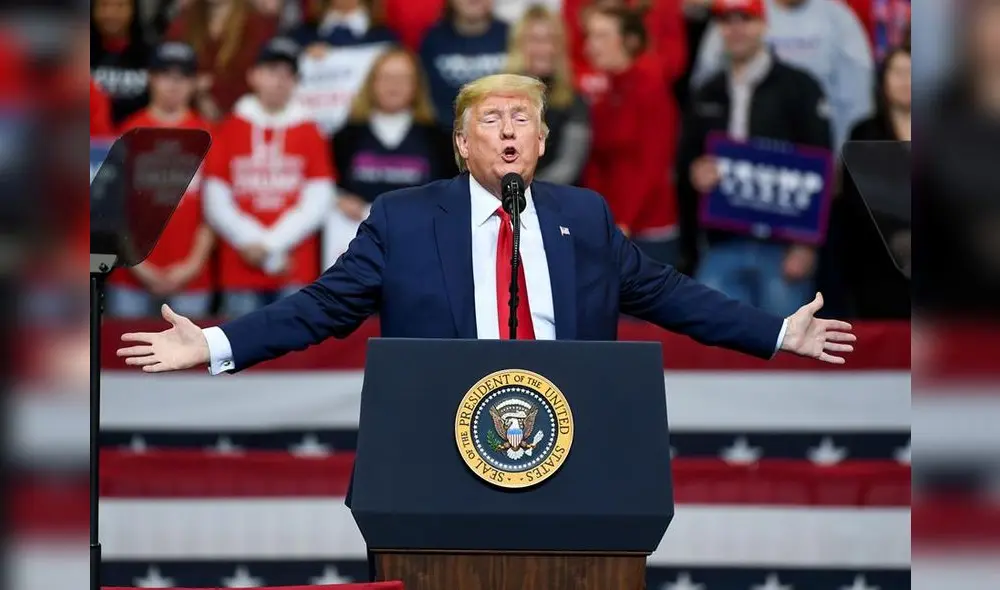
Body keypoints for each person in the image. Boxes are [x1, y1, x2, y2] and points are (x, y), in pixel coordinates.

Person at [117, 73, 856, 375]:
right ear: (462, 145)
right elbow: (322, 307)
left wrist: (775, 331)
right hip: (439, 437)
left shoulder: (584, 216)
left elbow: (668, 294)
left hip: (572, 432)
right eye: (491, 119)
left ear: (541, 142)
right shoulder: (403, 220)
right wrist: (214, 343)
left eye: (522, 119)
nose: (509, 130)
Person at [677, 0, 832, 317]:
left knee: (787, 341)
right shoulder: (707, 91)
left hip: (782, 247)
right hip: (721, 242)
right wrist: (695, 171)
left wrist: (806, 245)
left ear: (763, 25)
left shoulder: (800, 87)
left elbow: (822, 167)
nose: (735, 30)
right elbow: (687, 160)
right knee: (714, 339)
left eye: (744, 20)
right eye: (726, 21)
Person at [201, 37, 336, 318]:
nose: (280, 81)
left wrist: (271, 246)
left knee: (294, 345)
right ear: (254, 76)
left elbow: (319, 199)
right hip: (240, 265)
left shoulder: (311, 131)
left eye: (289, 74)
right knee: (237, 344)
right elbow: (215, 199)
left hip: (293, 267)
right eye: (272, 71)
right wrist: (251, 241)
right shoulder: (227, 128)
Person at [105, 42, 216, 319]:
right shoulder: (127, 131)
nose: (173, 84)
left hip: (192, 278)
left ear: (194, 83)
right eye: (165, 74)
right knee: (126, 348)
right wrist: (139, 266)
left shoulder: (210, 134)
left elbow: (215, 211)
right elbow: (113, 208)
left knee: (189, 350)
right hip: (131, 277)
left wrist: (191, 266)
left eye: (183, 76)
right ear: (150, 77)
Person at [325, 46, 456, 266]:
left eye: (403, 78)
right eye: (386, 77)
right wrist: (338, 199)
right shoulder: (345, 137)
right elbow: (324, 185)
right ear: (371, 83)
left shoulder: (440, 139)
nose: (394, 85)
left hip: (421, 249)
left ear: (416, 85)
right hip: (357, 249)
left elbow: (451, 193)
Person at [582, 6, 679, 265]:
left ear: (630, 40)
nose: (590, 46)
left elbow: (652, 164)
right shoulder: (605, 92)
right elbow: (597, 161)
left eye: (602, 36)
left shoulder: (651, 86)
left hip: (647, 229)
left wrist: (624, 220)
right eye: (589, 35)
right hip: (611, 225)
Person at [506, 5, 590, 186]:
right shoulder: (499, 96)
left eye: (550, 40)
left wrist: (530, 191)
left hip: (555, 195)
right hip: (504, 193)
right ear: (519, 45)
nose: (543, 49)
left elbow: (569, 165)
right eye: (534, 40)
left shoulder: (574, 100)